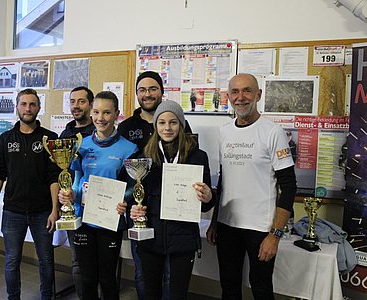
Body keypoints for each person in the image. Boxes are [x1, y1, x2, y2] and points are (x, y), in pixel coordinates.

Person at [206, 74, 297, 300]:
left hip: (261, 228)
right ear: (228, 97)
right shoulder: (224, 132)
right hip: (227, 226)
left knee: (261, 289)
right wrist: (216, 221)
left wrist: (275, 235)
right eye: (235, 92)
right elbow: (224, 182)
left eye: (247, 91)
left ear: (258, 95)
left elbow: (289, 186)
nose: (241, 97)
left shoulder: (273, 132)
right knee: (229, 288)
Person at [129, 100, 215, 299]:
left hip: (183, 237)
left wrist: (209, 196)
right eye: (162, 122)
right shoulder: (143, 157)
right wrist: (133, 210)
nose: (167, 128)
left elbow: (205, 204)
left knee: (177, 293)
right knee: (150, 292)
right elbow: (132, 196)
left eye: (173, 122)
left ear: (182, 125)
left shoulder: (198, 156)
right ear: (155, 126)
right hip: (150, 235)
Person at [118, 70, 192, 299]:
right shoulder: (126, 127)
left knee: (173, 278)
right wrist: (126, 201)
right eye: (142, 89)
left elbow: (188, 162)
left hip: (173, 213)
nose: (147, 94)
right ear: (137, 94)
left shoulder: (181, 123)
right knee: (144, 275)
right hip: (140, 212)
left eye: (153, 89)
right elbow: (123, 174)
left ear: (161, 92)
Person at [59, 91, 138, 300]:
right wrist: (70, 195)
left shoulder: (129, 148)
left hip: (109, 222)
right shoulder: (80, 144)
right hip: (84, 220)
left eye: (106, 112)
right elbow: (77, 179)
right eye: (96, 112)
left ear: (116, 114)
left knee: (107, 278)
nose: (100, 118)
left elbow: (132, 187)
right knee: (86, 279)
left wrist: (125, 199)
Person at [0, 88, 60, 300]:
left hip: (42, 212)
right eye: (24, 104)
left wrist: (55, 209)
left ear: (39, 108)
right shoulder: (6, 139)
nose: (28, 108)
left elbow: (54, 177)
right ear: (17, 107)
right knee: (11, 260)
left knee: (45, 260)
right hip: (13, 212)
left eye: (32, 104)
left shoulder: (49, 139)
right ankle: (13, 297)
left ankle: (47, 297)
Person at [59, 86, 95, 300]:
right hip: (73, 207)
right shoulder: (65, 135)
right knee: (78, 261)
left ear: (91, 105)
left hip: (98, 208)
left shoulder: (100, 132)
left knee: (100, 261)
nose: (76, 106)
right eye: (73, 102)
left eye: (81, 101)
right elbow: (60, 173)